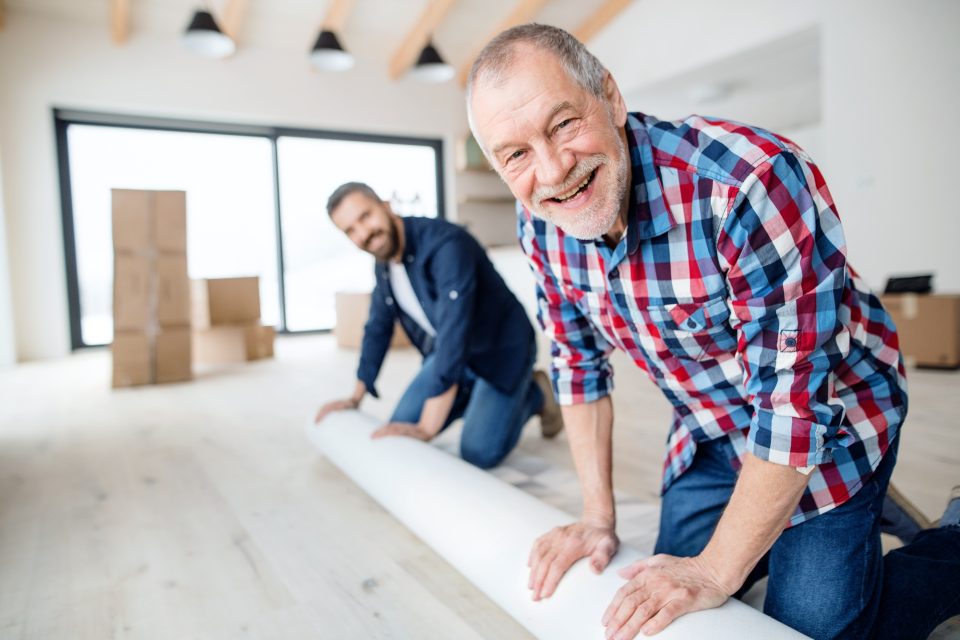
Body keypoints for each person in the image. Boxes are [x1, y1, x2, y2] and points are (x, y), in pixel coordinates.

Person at [466, 23, 959, 640]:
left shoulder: (748, 182)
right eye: (515, 154)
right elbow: (576, 362)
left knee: (808, 628)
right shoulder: (539, 217)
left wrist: (717, 571)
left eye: (563, 124)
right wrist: (597, 517)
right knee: (662, 602)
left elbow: (793, 409)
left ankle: (950, 539)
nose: (553, 170)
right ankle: (829, 532)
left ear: (611, 98)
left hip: (836, 417)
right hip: (709, 423)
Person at [314, 181, 562, 469]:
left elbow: (453, 332)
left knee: (478, 451)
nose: (363, 233)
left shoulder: (446, 244)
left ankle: (537, 394)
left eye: (365, 217)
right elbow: (377, 328)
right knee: (399, 429)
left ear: (386, 206)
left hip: (500, 351)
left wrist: (428, 427)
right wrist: (356, 396)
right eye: (350, 231)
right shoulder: (384, 262)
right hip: (454, 355)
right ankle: (473, 398)